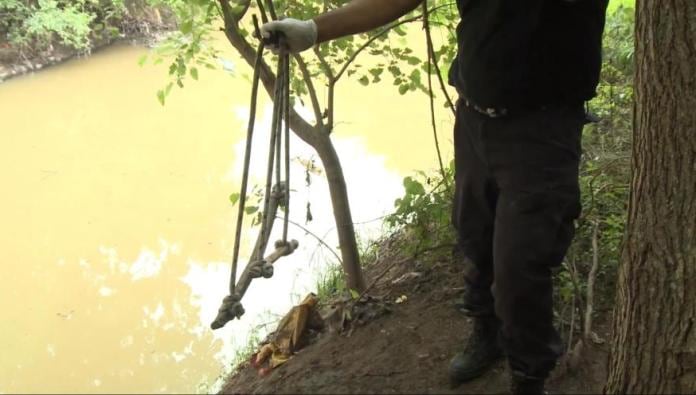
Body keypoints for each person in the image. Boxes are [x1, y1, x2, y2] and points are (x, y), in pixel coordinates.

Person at [261, 0, 608, 393]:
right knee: (474, 233)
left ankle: (529, 375)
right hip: (475, 119)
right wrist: (314, 29)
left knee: (521, 266)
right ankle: (487, 332)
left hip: (543, 132)